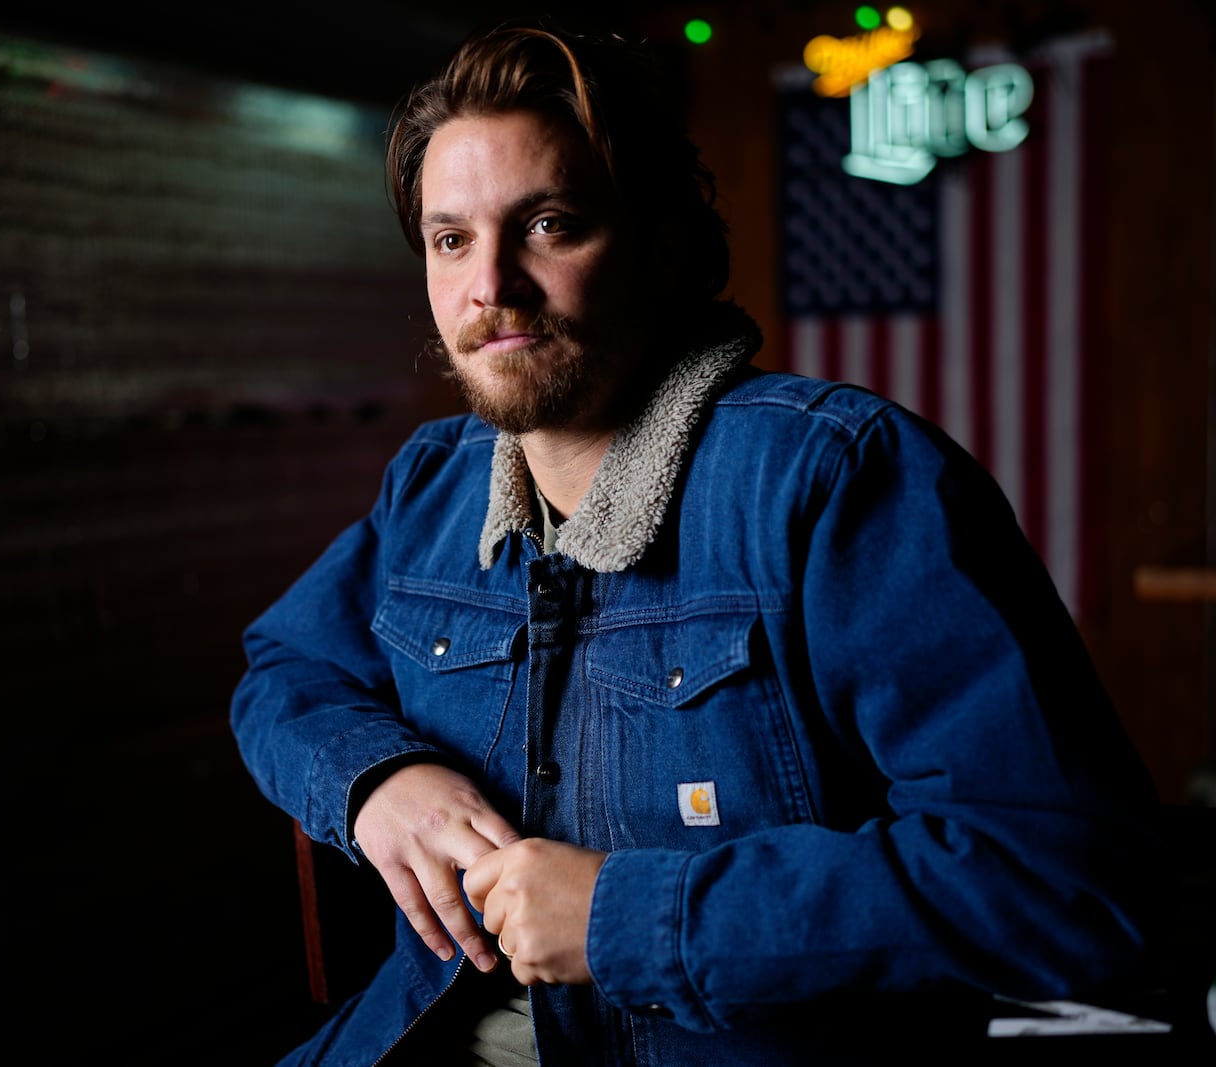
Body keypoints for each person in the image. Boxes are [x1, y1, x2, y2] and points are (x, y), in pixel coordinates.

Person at [230, 17, 1161, 1066]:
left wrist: (631, 916)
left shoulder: (840, 481)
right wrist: (374, 779)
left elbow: (1061, 881)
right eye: (451, 239)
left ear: (663, 243)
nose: (490, 285)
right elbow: (282, 670)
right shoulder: (432, 485)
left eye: (547, 224)